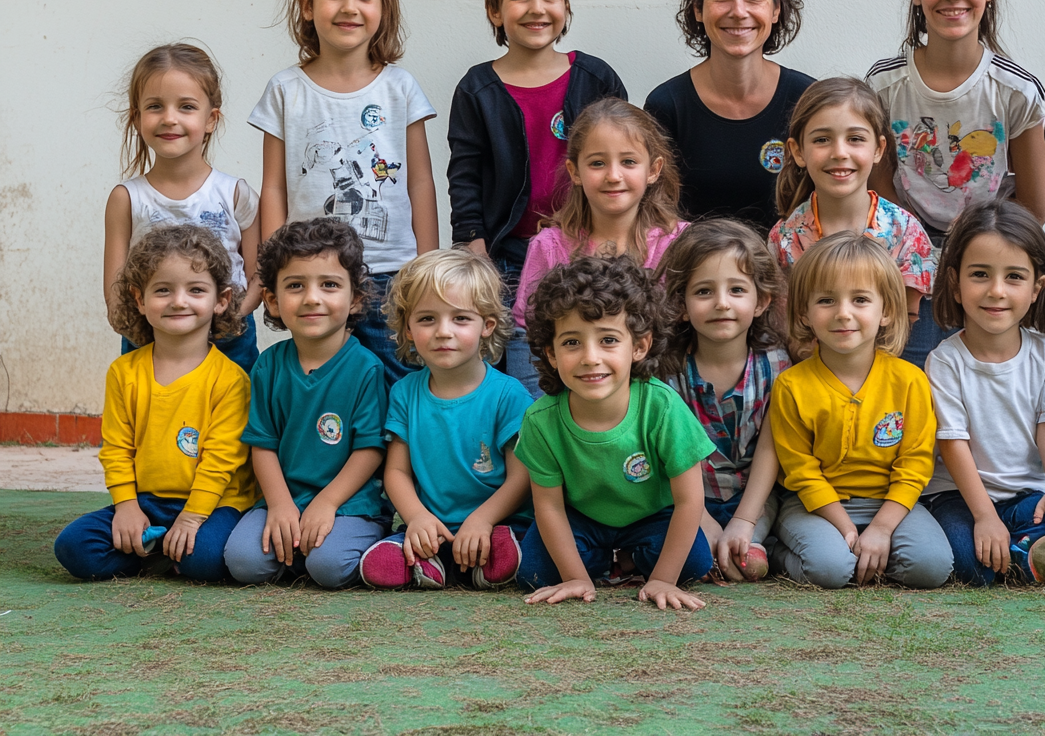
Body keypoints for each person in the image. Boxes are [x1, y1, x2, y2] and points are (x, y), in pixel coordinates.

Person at [251, 0, 438, 387]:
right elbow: (273, 187)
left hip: (390, 272)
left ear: (384, 8)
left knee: (398, 384)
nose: (349, 7)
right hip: (313, 275)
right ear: (307, 5)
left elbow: (420, 182)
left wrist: (428, 266)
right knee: (326, 387)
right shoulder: (285, 90)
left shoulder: (400, 87)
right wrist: (275, 270)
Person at [866, 0, 1045, 369]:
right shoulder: (884, 84)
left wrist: (976, 259)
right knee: (909, 374)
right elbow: (879, 188)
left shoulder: (1016, 90)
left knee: (983, 377)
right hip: (906, 252)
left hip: (989, 249)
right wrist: (919, 254)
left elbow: (1033, 204)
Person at [447, 0, 627, 394]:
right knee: (528, 379)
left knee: (592, 362)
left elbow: (627, 158)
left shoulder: (595, 78)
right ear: (495, 11)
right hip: (510, 257)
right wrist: (475, 248)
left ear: (566, 7)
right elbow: (464, 175)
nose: (537, 9)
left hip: (587, 247)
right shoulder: (477, 89)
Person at [55, 225, 256, 582]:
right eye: (163, 290)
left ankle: (164, 548)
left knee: (205, 561)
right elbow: (116, 448)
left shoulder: (231, 380)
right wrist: (126, 507)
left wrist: (192, 518)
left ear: (221, 300)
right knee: (74, 547)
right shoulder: (124, 372)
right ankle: (156, 550)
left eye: (196, 290)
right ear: (139, 299)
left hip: (214, 504)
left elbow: (222, 460)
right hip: (147, 501)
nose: (179, 301)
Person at [514, 256, 715, 610]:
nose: (591, 357)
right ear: (552, 353)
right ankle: (605, 563)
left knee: (695, 563)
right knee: (534, 570)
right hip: (582, 519)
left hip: (653, 516)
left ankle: (629, 561)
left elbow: (689, 501)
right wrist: (575, 577)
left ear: (638, 346)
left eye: (608, 339)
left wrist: (663, 581)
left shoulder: (663, 408)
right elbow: (548, 507)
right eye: (572, 343)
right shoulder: (540, 420)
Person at [769, 233, 953, 589]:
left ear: (886, 311)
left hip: (891, 503)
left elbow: (916, 463)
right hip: (815, 506)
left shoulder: (910, 381)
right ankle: (778, 550)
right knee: (830, 570)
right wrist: (846, 529)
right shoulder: (791, 385)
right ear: (804, 313)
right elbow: (801, 471)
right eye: (826, 300)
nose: (843, 313)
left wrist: (882, 529)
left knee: (930, 568)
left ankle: (867, 556)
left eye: (860, 299)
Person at [918, 201, 1045, 586]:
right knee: (968, 561)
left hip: (1026, 494)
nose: (996, 291)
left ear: (1037, 287)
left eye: (1014, 277)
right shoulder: (945, 360)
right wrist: (985, 516)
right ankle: (1023, 558)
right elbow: (953, 442)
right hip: (958, 496)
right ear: (956, 285)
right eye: (980, 275)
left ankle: (1025, 551)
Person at [223, 219, 391, 588]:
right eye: (295, 286)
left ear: (356, 298)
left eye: (329, 285)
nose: (312, 298)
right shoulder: (268, 365)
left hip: (349, 504)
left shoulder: (366, 368)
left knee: (328, 567)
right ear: (272, 300)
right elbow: (262, 445)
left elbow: (370, 450)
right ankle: (296, 547)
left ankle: (352, 544)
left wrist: (328, 504)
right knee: (242, 563)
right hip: (283, 498)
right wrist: (280, 505)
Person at [358, 249, 534, 589]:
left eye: (460, 319)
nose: (443, 331)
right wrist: (416, 517)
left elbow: (521, 477)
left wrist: (483, 519)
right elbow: (395, 471)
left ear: (488, 325)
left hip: (498, 520)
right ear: (407, 328)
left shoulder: (507, 395)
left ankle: (475, 558)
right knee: (384, 562)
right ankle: (432, 559)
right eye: (427, 319)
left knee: (510, 549)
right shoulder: (405, 392)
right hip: (432, 525)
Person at [104, 44, 262, 373]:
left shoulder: (236, 194)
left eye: (186, 106)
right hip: (150, 342)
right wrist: (148, 330)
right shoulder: (126, 199)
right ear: (136, 118)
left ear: (211, 119)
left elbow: (257, 274)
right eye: (155, 106)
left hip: (228, 343)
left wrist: (227, 319)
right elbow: (116, 291)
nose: (170, 118)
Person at [512, 99, 687, 389]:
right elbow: (527, 340)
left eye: (629, 161)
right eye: (597, 163)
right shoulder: (549, 247)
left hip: (661, 404)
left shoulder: (679, 244)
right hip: (572, 408)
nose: (613, 175)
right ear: (575, 171)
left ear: (654, 169)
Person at [645, 0, 814, 233]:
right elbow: (655, 218)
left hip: (791, 274)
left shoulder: (806, 100)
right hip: (695, 274)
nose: (738, 11)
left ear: (775, 9)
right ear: (698, 9)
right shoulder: (667, 106)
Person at [656, 219, 790, 582]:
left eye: (736, 290)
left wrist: (744, 521)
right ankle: (722, 544)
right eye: (703, 292)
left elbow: (770, 450)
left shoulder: (778, 366)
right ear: (681, 303)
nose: (721, 304)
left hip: (756, 497)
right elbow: (666, 459)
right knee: (697, 560)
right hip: (684, 498)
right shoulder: (667, 372)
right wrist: (702, 520)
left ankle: (758, 541)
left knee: (744, 554)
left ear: (761, 300)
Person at [769, 78, 934, 328]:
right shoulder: (784, 239)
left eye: (855, 138)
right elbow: (784, 328)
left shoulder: (906, 233)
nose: (839, 152)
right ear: (798, 151)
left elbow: (910, 327)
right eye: (822, 140)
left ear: (878, 149)